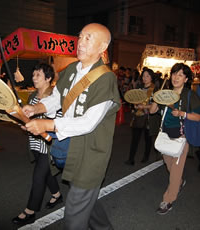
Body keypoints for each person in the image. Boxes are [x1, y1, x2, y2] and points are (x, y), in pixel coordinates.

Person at [22, 23, 120, 230]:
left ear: (102, 46)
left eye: (88, 38)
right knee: (86, 202)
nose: (81, 42)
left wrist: (47, 124)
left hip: (91, 151)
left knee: (74, 214)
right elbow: (58, 97)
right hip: (70, 147)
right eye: (80, 36)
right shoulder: (72, 70)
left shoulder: (105, 78)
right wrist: (38, 108)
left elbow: (88, 122)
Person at [12, 63, 62, 226]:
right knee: (46, 174)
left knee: (38, 177)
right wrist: (25, 124)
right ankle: (57, 194)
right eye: (33, 75)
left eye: (38, 75)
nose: (34, 78)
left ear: (48, 78)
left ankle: (30, 211)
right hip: (35, 142)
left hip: (49, 144)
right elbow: (30, 119)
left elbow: (59, 121)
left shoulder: (55, 97)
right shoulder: (33, 96)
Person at [150, 63, 200, 215]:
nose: (176, 77)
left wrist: (182, 114)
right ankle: (179, 182)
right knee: (169, 165)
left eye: (180, 75)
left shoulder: (190, 95)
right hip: (165, 135)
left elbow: (198, 117)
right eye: (174, 74)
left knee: (175, 171)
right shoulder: (165, 93)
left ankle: (168, 200)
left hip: (181, 136)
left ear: (186, 79)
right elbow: (153, 111)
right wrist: (155, 98)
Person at [125, 68, 160, 165]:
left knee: (147, 138)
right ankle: (131, 158)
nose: (145, 78)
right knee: (134, 138)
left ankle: (146, 156)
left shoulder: (154, 89)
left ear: (151, 77)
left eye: (147, 76)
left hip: (149, 117)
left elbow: (156, 104)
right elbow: (134, 99)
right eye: (144, 76)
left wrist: (144, 106)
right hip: (138, 116)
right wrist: (135, 105)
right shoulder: (139, 87)